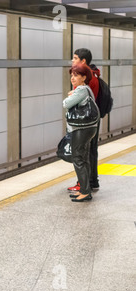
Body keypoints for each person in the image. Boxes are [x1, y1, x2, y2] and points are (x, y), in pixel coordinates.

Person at [63, 63, 98, 202]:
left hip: (81, 129)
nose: (72, 78)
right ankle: (86, 189)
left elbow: (66, 104)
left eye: (76, 75)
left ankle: (84, 191)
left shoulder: (81, 90)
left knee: (78, 158)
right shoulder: (87, 89)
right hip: (89, 128)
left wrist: (70, 95)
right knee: (83, 158)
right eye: (72, 75)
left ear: (84, 77)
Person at [68, 48, 101, 192]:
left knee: (83, 154)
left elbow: (74, 103)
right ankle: (90, 182)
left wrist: (73, 95)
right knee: (88, 152)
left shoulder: (86, 81)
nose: (72, 60)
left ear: (83, 61)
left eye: (75, 58)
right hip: (91, 121)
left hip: (86, 122)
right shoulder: (91, 77)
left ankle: (85, 185)